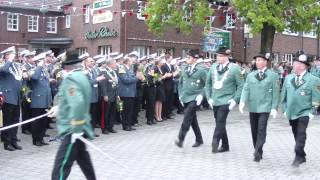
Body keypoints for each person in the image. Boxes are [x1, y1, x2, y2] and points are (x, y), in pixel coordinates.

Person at [50, 50, 96, 180]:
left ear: (66, 65)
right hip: (80, 127)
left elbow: (77, 104)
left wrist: (76, 129)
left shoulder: (70, 79)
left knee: (60, 168)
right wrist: (59, 107)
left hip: (73, 129)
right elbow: (73, 100)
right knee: (85, 163)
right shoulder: (81, 76)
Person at [281, 53, 320, 167]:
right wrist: (284, 109)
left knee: (301, 133)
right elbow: (283, 95)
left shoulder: (314, 80)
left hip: (304, 112)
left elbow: (317, 96)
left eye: (296, 63)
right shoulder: (288, 78)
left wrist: (312, 111)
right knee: (295, 133)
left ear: (303, 66)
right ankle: (302, 154)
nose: (293, 64)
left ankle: (298, 155)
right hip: (291, 112)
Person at [239, 53, 280, 162]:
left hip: (265, 107)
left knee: (261, 129)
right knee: (254, 130)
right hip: (253, 106)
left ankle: (257, 151)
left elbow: (276, 93)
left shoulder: (273, 75)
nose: (257, 62)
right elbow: (246, 89)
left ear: (265, 62)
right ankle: (258, 150)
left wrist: (274, 108)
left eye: (260, 60)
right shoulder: (251, 75)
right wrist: (242, 101)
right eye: (256, 60)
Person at [205, 47, 244, 153]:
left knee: (220, 120)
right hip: (215, 100)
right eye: (218, 55)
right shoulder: (213, 67)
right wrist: (209, 98)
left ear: (227, 57)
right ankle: (225, 145)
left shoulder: (235, 68)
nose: (218, 58)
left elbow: (241, 85)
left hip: (227, 100)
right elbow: (207, 83)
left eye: (221, 56)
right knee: (219, 122)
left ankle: (215, 141)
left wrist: (235, 100)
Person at [175, 50, 206, 148]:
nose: (187, 59)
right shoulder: (184, 68)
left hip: (195, 97)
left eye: (189, 57)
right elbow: (180, 83)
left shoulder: (201, 70)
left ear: (194, 59)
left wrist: (201, 95)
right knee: (193, 120)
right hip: (185, 97)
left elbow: (207, 85)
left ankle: (181, 138)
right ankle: (199, 139)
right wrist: (180, 95)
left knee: (187, 117)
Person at [0, 46, 23, 151]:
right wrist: (8, 60)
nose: (13, 56)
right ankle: (7, 143)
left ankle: (14, 140)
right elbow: (4, 70)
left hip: (17, 97)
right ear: (6, 55)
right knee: (7, 122)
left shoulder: (15, 66)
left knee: (15, 121)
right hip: (8, 97)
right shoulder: (3, 64)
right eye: (11, 54)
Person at [29, 52, 52, 146]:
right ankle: (36, 140)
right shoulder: (33, 70)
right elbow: (34, 77)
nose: (44, 62)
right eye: (43, 60)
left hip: (45, 99)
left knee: (44, 121)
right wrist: (38, 67)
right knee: (36, 121)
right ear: (38, 61)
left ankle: (41, 138)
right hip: (37, 100)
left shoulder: (44, 70)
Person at [118, 53, 144, 131]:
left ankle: (129, 124)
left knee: (130, 110)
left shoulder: (130, 69)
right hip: (125, 93)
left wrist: (137, 78)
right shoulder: (122, 69)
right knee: (125, 110)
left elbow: (132, 78)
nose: (132, 62)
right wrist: (136, 78)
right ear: (127, 62)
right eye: (130, 61)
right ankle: (125, 125)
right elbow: (126, 80)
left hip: (131, 92)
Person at [100, 57, 119, 134]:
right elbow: (103, 85)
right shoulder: (104, 72)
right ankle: (104, 128)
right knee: (106, 113)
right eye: (114, 63)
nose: (116, 65)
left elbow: (116, 84)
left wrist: (117, 94)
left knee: (112, 112)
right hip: (107, 95)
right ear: (110, 64)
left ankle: (110, 127)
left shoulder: (114, 72)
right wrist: (105, 95)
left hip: (114, 95)